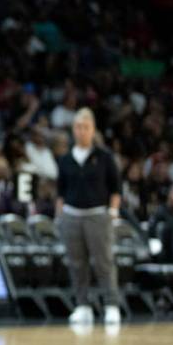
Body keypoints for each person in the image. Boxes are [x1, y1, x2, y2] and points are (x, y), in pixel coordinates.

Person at [57, 108, 122, 327]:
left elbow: (116, 189)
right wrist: (60, 217)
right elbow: (60, 192)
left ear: (92, 129)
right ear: (73, 129)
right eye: (77, 127)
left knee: (104, 262)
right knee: (77, 264)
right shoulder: (66, 159)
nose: (81, 131)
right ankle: (83, 306)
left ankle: (111, 305)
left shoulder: (104, 157)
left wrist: (112, 212)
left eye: (85, 127)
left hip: (98, 215)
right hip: (72, 215)